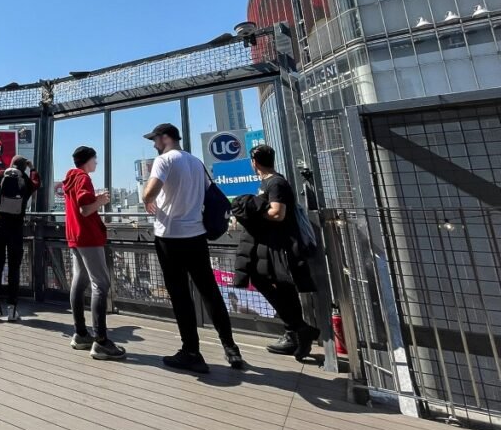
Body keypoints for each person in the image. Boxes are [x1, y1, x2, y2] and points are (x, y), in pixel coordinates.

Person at [141, 124, 244, 373]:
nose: (154, 145)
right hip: (196, 235)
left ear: (165, 138)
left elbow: (150, 192)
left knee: (180, 295)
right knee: (209, 291)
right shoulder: (196, 162)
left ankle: (191, 351)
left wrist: (147, 198)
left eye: (155, 140)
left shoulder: (164, 160)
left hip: (170, 237)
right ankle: (231, 348)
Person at [231, 144, 320, 360]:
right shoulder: (269, 183)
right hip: (274, 245)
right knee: (281, 287)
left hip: (281, 246)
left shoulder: (276, 183)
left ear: (255, 162)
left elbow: (277, 213)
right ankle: (295, 332)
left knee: (269, 282)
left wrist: (251, 212)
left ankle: (297, 329)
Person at [63, 146, 126, 360]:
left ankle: (81, 334)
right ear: (87, 160)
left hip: (74, 236)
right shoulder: (83, 178)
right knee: (101, 284)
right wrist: (101, 201)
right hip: (88, 237)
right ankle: (101, 342)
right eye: (95, 159)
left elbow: (80, 205)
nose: (97, 163)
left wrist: (94, 199)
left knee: (79, 283)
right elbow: (86, 209)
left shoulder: (71, 177)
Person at [0, 155, 41, 323]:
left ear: (11, 164)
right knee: (14, 268)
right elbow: (36, 184)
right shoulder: (25, 180)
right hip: (16, 229)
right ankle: (12, 309)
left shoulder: (1, 175)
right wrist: (31, 169)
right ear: (24, 168)